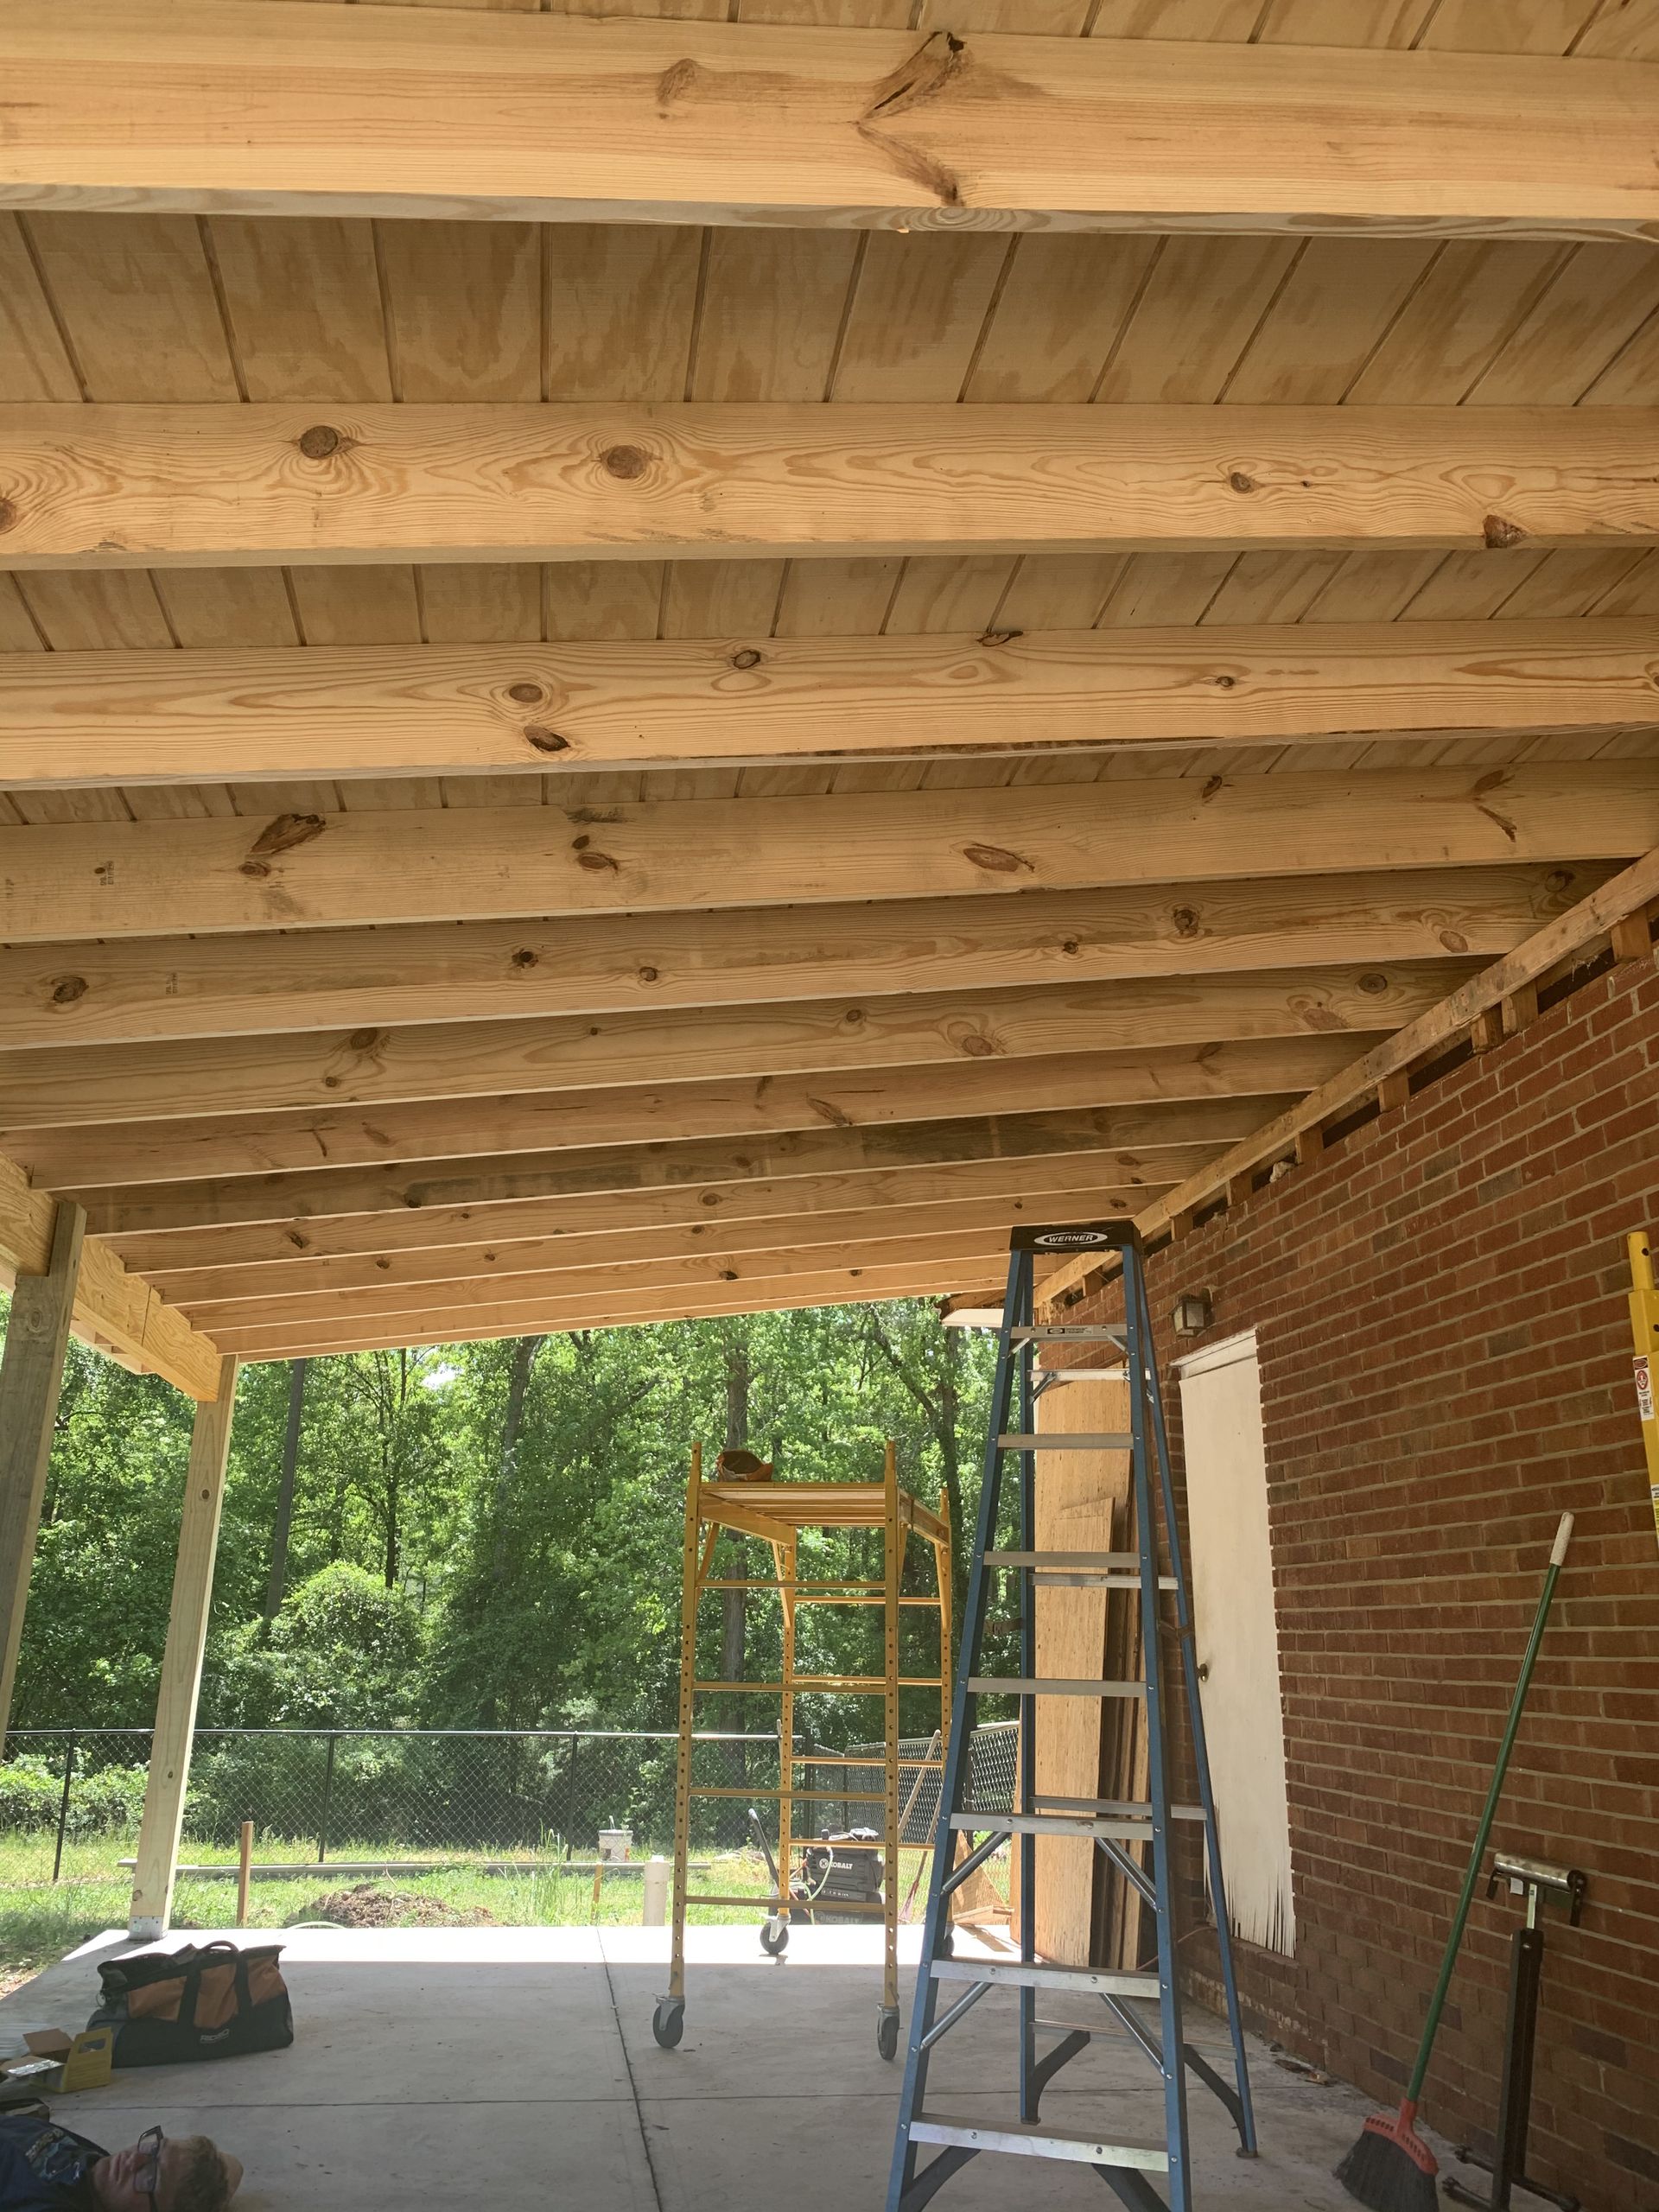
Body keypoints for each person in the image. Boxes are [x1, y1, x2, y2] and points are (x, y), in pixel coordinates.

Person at [0, 2114, 241, 2212]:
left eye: (149, 2177)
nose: (133, 2159)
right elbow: (234, 2165)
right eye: (154, 2148)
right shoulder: (98, 2169)